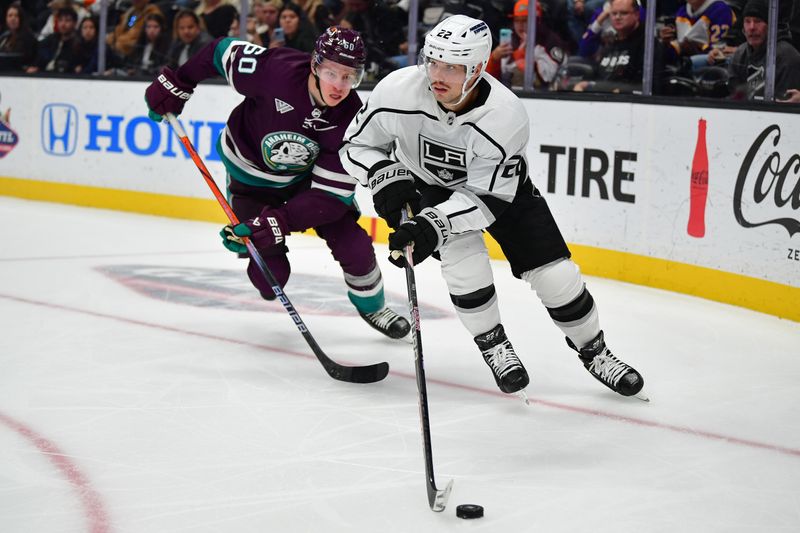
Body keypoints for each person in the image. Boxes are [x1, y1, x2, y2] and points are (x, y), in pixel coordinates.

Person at [340, 14, 644, 397]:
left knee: (557, 278)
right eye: (433, 62)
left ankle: (594, 351)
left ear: (479, 67)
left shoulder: (504, 115)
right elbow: (354, 147)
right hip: (431, 186)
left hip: (501, 194)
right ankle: (494, 344)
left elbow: (486, 199)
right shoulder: (396, 91)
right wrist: (384, 172)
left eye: (452, 67)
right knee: (464, 265)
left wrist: (431, 226)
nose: (438, 75)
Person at [144, 27, 411, 341]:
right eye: (331, 73)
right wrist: (180, 81)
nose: (339, 86)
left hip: (305, 184)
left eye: (349, 76)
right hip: (249, 182)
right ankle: (262, 259)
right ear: (315, 64)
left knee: (354, 245)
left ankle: (373, 307)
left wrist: (278, 221)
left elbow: (329, 196)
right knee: (270, 279)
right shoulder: (275, 69)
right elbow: (220, 50)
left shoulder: (351, 119)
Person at [572, 0, 665, 93]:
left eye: (624, 13)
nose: (617, 17)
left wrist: (612, 90)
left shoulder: (649, 46)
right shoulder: (609, 45)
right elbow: (584, 51)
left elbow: (648, 88)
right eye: (614, 13)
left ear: (636, 15)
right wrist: (585, 85)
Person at [727, 0, 800, 100]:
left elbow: (784, 105)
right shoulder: (740, 54)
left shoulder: (787, 58)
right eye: (747, 21)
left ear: (771, 26)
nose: (752, 27)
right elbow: (733, 98)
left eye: (758, 21)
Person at [485, 0, 567, 89]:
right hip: (510, 93)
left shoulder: (550, 42)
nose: (520, 25)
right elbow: (489, 79)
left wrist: (531, 55)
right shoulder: (510, 40)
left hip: (541, 96)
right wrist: (494, 59)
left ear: (537, 21)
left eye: (525, 20)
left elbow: (548, 78)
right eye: (517, 20)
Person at [26, 5, 78, 73]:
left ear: (75, 23)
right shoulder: (51, 39)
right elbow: (40, 57)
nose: (63, 24)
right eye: (60, 20)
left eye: (67, 20)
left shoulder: (77, 43)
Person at [0, 1, 38, 71]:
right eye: (10, 15)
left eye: (16, 16)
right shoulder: (4, 37)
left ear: (21, 18)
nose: (13, 18)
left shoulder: (28, 38)